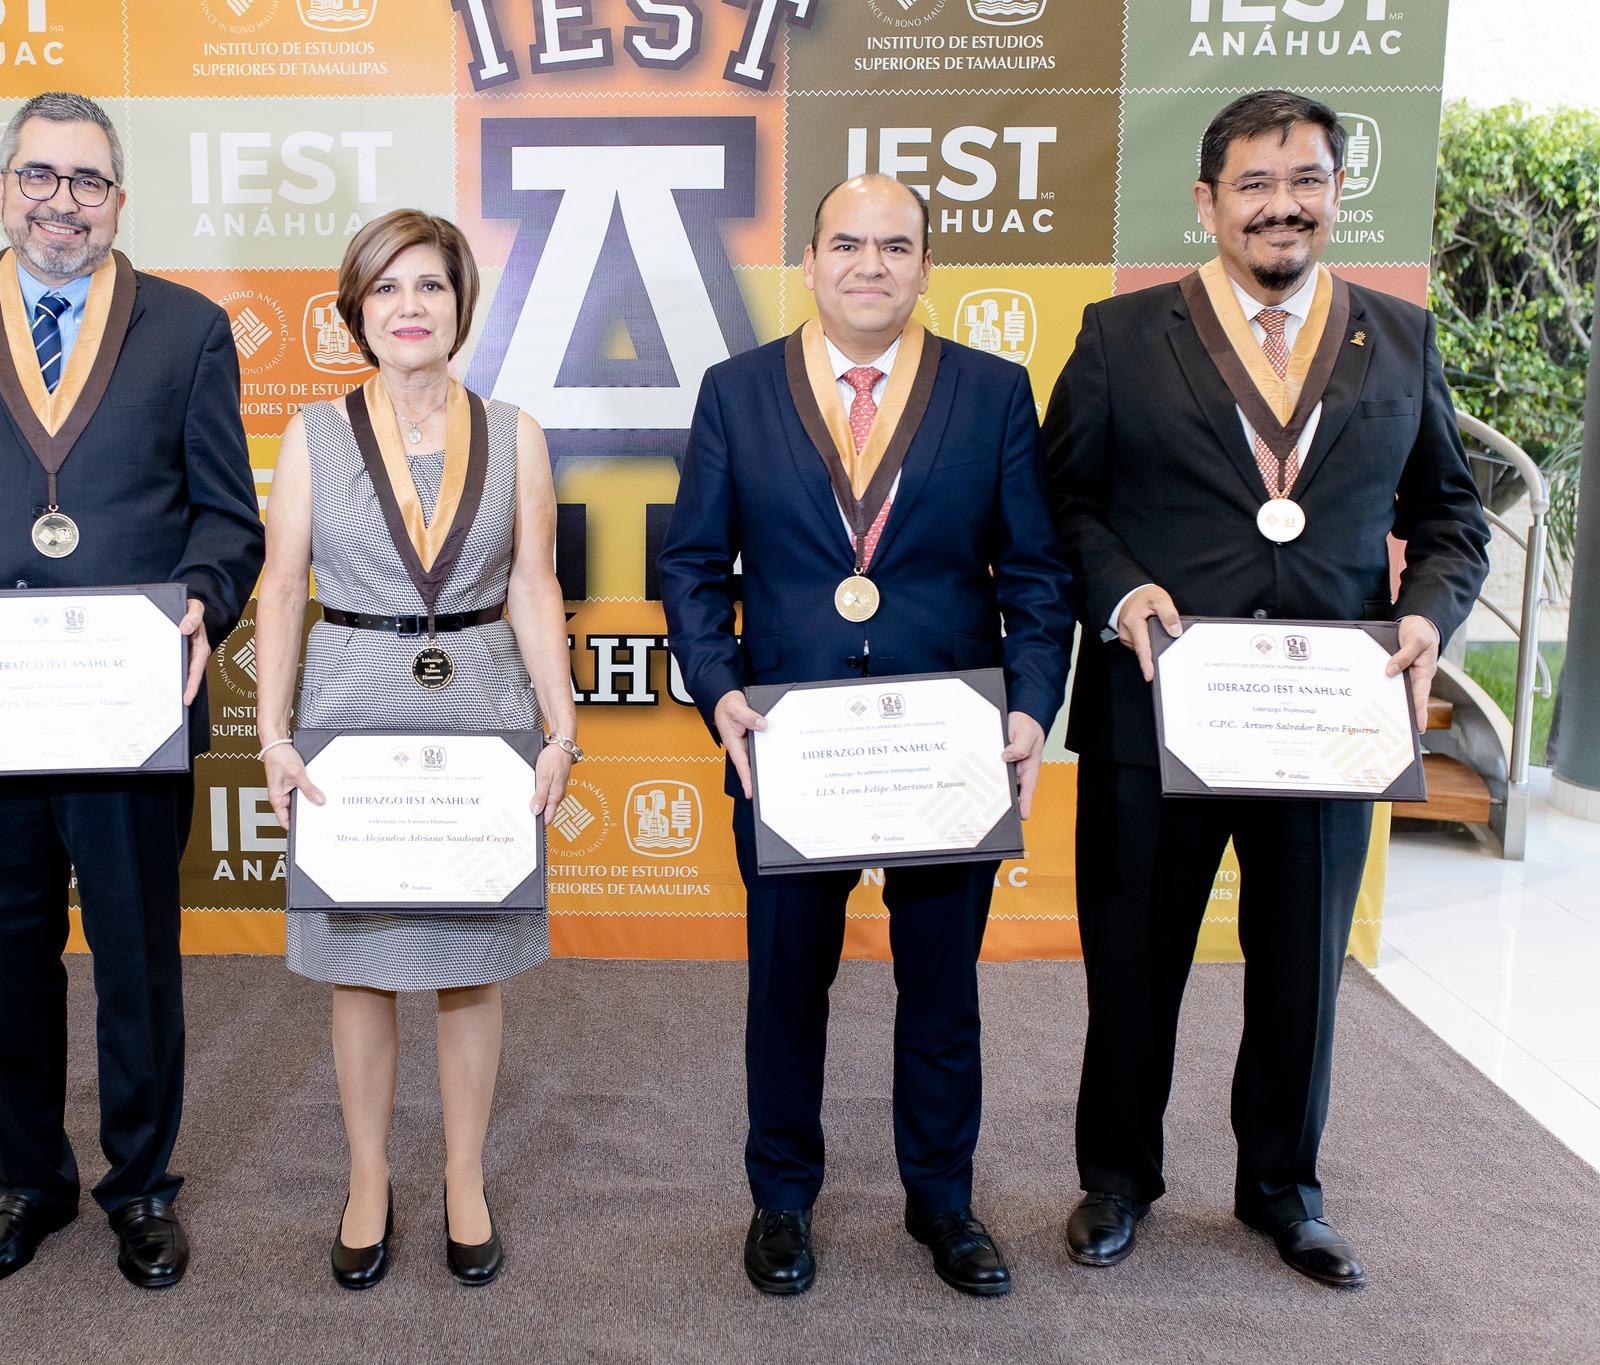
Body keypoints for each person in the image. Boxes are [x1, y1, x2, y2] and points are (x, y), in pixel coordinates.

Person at [1042, 90, 1489, 1288]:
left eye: (1304, 183)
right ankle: (1116, 1179)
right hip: (1157, 702)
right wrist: (1121, 586)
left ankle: (1282, 1190)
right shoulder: (1118, 335)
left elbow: (1449, 517)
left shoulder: (1396, 338)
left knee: (1300, 966)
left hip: (1327, 723)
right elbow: (1062, 503)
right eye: (1252, 185)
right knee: (1132, 960)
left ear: (1336, 194)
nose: (1279, 207)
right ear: (1206, 202)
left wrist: (1422, 615)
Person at [0, 91, 263, 1291]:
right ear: (1, 188)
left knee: (137, 956)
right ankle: (27, 1184)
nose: (62, 202)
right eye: (41, 175)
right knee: (6, 952)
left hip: (125, 702)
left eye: (87, 181)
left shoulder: (185, 328)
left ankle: (140, 1189)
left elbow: (224, 515)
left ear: (119, 200)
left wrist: (200, 598)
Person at [659, 174, 1074, 1298]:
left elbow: (1035, 571)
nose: (869, 265)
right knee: (785, 988)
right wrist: (718, 690)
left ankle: (942, 1201)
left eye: (894, 246)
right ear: (808, 260)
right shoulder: (736, 393)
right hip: (789, 749)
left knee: (941, 992)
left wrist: (1030, 707)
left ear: (924, 266)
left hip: (946, 752)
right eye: (846, 243)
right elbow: (692, 566)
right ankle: (781, 1200)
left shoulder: (989, 394)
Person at [253, 210, 577, 1291]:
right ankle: (365, 1180)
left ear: (459, 305)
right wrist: (272, 733)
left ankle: (465, 1178)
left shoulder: (515, 430)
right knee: (360, 968)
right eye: (386, 289)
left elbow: (533, 582)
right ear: (356, 310)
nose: (408, 307)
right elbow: (282, 586)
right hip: (352, 711)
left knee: (469, 963)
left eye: (428, 287)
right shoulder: (311, 433)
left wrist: (559, 722)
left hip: (479, 706)